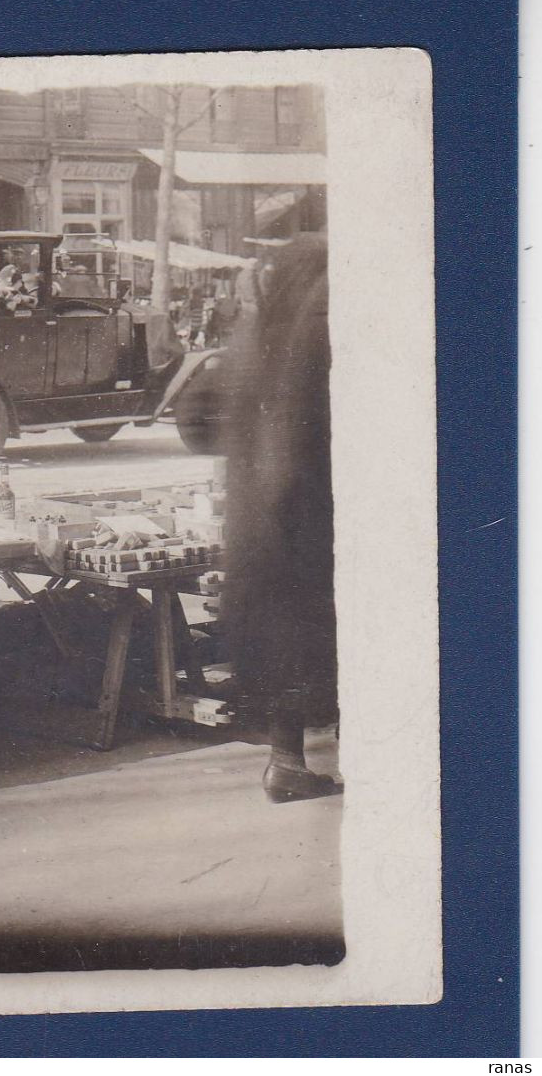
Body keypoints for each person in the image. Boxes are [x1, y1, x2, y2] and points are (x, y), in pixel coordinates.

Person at [222, 235, 341, 803]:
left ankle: (286, 763)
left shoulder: (261, 333)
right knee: (314, 632)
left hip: (259, 520)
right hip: (301, 511)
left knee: (282, 637)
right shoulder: (311, 326)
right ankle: (299, 765)